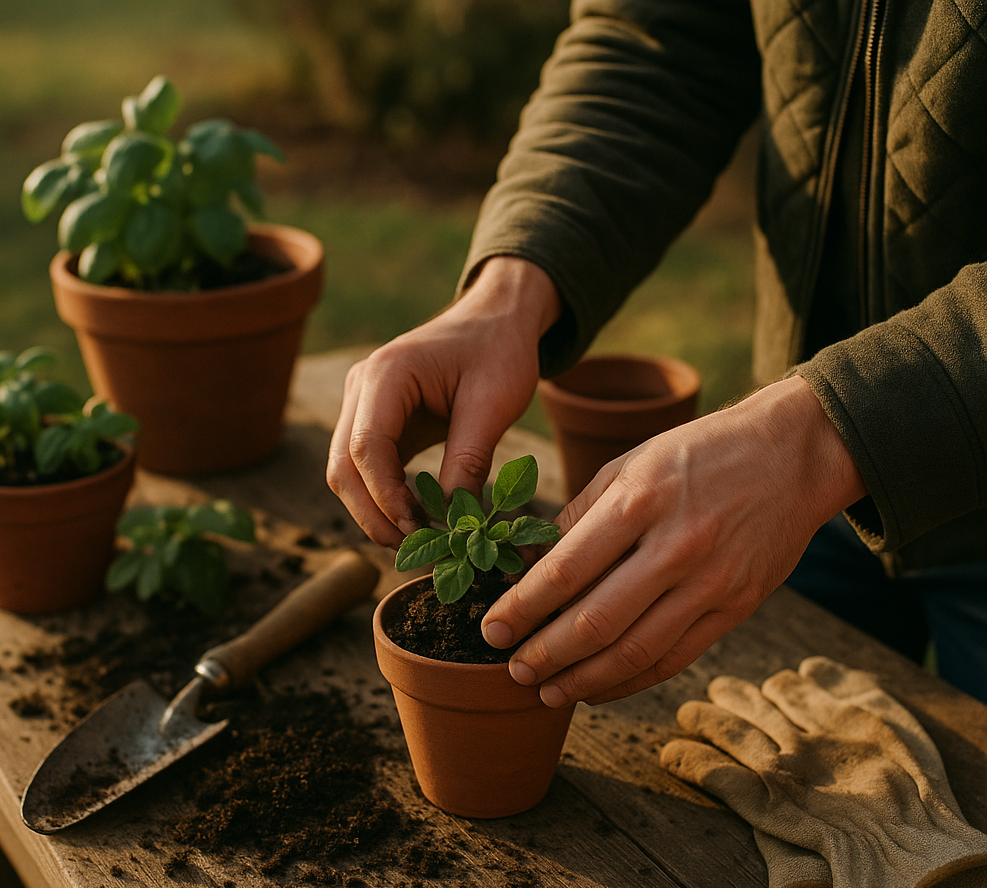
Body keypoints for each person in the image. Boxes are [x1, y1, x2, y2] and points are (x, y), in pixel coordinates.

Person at [328, 0, 987, 706]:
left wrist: (828, 434)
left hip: (814, 455)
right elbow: (658, 35)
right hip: (789, 488)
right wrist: (510, 286)